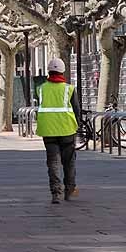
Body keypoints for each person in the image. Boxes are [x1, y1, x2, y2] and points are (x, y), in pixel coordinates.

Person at [35, 57, 80, 204]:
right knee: (69, 162)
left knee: (53, 162)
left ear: (49, 71)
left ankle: (56, 193)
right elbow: (76, 110)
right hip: (67, 129)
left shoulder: (40, 89)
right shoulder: (69, 89)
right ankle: (69, 190)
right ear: (63, 71)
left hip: (48, 130)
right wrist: (77, 126)